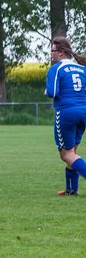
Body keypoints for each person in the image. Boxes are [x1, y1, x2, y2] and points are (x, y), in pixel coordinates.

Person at [46, 35, 86, 196]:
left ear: (61, 52)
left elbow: (53, 92)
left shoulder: (56, 69)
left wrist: (46, 91)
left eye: (53, 50)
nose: (51, 54)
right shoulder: (83, 69)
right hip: (84, 111)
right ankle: (71, 189)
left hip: (67, 112)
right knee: (72, 152)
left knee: (66, 154)